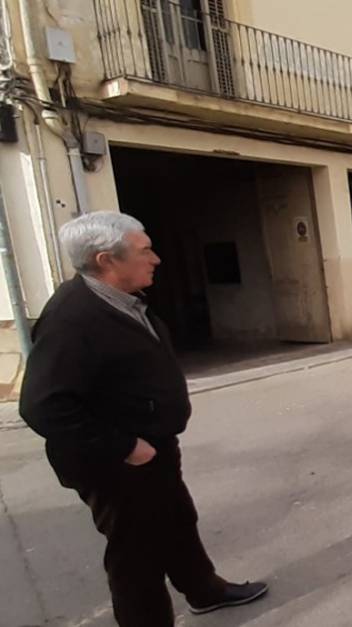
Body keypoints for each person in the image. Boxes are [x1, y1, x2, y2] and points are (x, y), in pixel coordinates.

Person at [19, 212, 267, 626]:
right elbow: (43, 406)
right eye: (144, 250)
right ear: (106, 260)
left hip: (153, 445)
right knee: (136, 554)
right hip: (115, 462)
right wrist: (126, 448)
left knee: (176, 520)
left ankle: (203, 589)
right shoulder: (71, 318)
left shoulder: (120, 299)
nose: (155, 258)